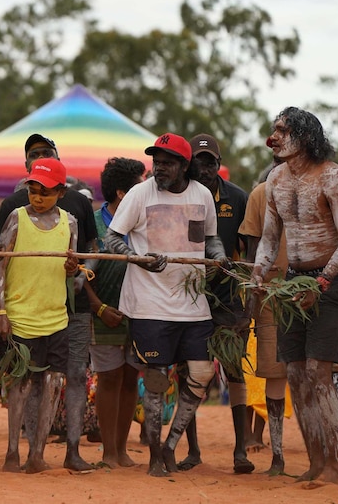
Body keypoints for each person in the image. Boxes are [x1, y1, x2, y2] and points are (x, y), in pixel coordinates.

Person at [103, 132, 227, 477]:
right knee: (157, 379)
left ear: (184, 166)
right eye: (156, 162)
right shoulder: (140, 194)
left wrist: (218, 257)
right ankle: (155, 453)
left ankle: (171, 444)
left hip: (193, 303)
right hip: (149, 304)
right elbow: (113, 237)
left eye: (168, 163)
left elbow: (209, 239)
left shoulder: (202, 195)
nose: (159, 168)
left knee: (201, 374)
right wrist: (137, 259)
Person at [251, 107, 338, 484]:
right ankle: (315, 461)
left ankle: (332, 464)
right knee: (295, 372)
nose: (274, 136)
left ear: (305, 136)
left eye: (282, 130)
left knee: (318, 371)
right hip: (294, 282)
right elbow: (269, 238)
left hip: (333, 279)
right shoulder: (276, 179)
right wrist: (258, 272)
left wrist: (323, 281)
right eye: (274, 129)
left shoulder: (332, 176)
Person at [0, 133, 97, 472]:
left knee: (53, 381)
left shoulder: (71, 222)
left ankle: (38, 453)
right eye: (34, 189)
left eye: (45, 191)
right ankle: (12, 452)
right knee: (20, 383)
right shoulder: (17, 217)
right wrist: (1, 310)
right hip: (21, 316)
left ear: (61, 193)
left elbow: (75, 267)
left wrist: (73, 270)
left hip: (56, 317)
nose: (37, 197)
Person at [178, 134, 252, 473]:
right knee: (189, 372)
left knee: (234, 372)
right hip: (186, 299)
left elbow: (250, 252)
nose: (205, 168)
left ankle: (241, 451)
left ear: (219, 164)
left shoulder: (237, 198)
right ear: (188, 163)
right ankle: (192, 450)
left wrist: (247, 301)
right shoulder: (178, 195)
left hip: (228, 302)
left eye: (211, 162)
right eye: (199, 161)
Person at [87, 157, 145, 469]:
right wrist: (99, 307)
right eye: (141, 182)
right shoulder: (93, 224)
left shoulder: (144, 223)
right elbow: (79, 275)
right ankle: (109, 452)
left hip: (138, 311)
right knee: (108, 378)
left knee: (129, 377)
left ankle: (122, 450)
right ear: (122, 193)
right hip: (104, 310)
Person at [239, 157, 290, 475]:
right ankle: (279, 455)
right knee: (274, 373)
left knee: (315, 377)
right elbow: (251, 251)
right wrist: (251, 294)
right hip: (270, 296)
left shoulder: (325, 187)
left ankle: (323, 455)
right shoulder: (260, 194)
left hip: (315, 294)